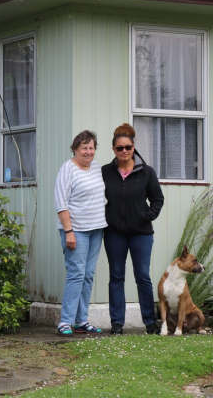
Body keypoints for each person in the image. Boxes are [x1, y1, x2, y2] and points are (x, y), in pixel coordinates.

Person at [101, 123, 164, 335]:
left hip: (141, 234)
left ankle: (149, 323)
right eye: (120, 148)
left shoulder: (146, 172)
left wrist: (145, 217)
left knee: (142, 276)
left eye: (128, 147)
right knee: (116, 277)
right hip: (114, 234)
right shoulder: (105, 172)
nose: (124, 151)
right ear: (114, 150)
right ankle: (117, 323)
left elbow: (157, 199)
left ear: (133, 147)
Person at [54, 130, 107, 336]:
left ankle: (81, 320)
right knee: (76, 274)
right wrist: (69, 231)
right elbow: (61, 203)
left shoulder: (97, 168)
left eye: (91, 148)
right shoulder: (67, 170)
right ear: (75, 149)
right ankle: (65, 322)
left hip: (96, 230)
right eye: (84, 148)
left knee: (88, 275)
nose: (88, 152)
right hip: (75, 231)